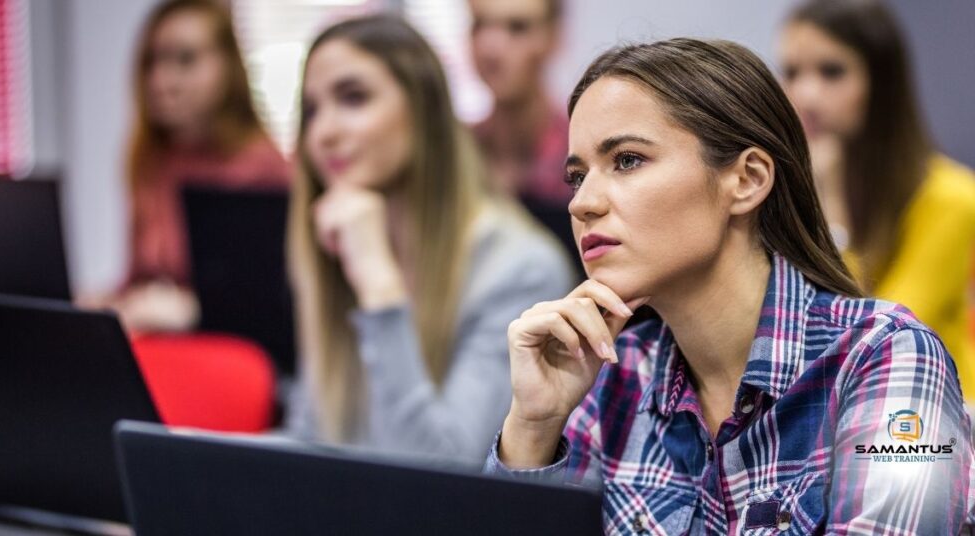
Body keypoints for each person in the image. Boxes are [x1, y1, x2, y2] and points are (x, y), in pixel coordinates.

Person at [486, 38, 973, 533]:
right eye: (576, 176)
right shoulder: (612, 375)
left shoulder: (886, 356)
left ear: (747, 179)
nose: (581, 203)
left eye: (627, 160)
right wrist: (534, 426)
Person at [284, 15, 573, 462]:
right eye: (312, 110)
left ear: (424, 109)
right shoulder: (341, 243)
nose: (323, 133)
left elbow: (440, 474)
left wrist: (380, 286)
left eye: (353, 98)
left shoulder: (522, 267)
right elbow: (308, 437)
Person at [779, 0, 975, 402]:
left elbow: (881, 335)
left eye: (832, 72)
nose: (806, 94)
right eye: (792, 72)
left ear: (881, 83)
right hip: (831, 413)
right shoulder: (780, 185)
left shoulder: (952, 198)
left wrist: (825, 202)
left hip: (931, 415)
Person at [117, 0, 289, 331]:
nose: (162, 80)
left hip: (226, 349)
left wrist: (191, 309)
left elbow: (269, 307)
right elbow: (139, 278)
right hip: (157, 340)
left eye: (185, 59)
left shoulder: (262, 167)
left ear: (228, 66)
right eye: (153, 61)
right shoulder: (152, 160)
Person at [468, 0, 570, 205]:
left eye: (518, 27)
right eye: (480, 24)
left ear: (553, 37)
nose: (491, 48)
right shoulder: (459, 150)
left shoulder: (581, 153)